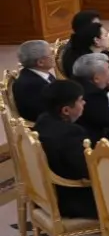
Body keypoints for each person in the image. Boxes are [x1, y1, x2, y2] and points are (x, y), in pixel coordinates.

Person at [32, 80, 98, 218]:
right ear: (66, 110)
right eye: (80, 100)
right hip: (72, 198)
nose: (84, 103)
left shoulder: (43, 119)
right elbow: (89, 171)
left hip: (48, 191)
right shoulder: (71, 133)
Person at [71, 53, 109, 145]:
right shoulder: (92, 95)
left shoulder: (76, 83)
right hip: (93, 144)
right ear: (96, 78)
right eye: (108, 70)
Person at [13, 40, 56, 122]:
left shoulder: (42, 74)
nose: (54, 56)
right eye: (51, 54)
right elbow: (43, 113)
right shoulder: (31, 85)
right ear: (40, 62)